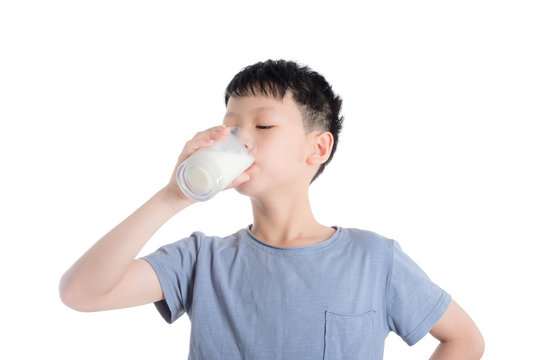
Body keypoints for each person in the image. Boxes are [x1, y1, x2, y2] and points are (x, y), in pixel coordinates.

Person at [59, 59, 484, 359]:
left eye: (263, 125)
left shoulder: (374, 259)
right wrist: (173, 196)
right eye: (231, 128)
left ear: (317, 148)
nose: (241, 140)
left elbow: (464, 339)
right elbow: (81, 293)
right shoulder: (199, 260)